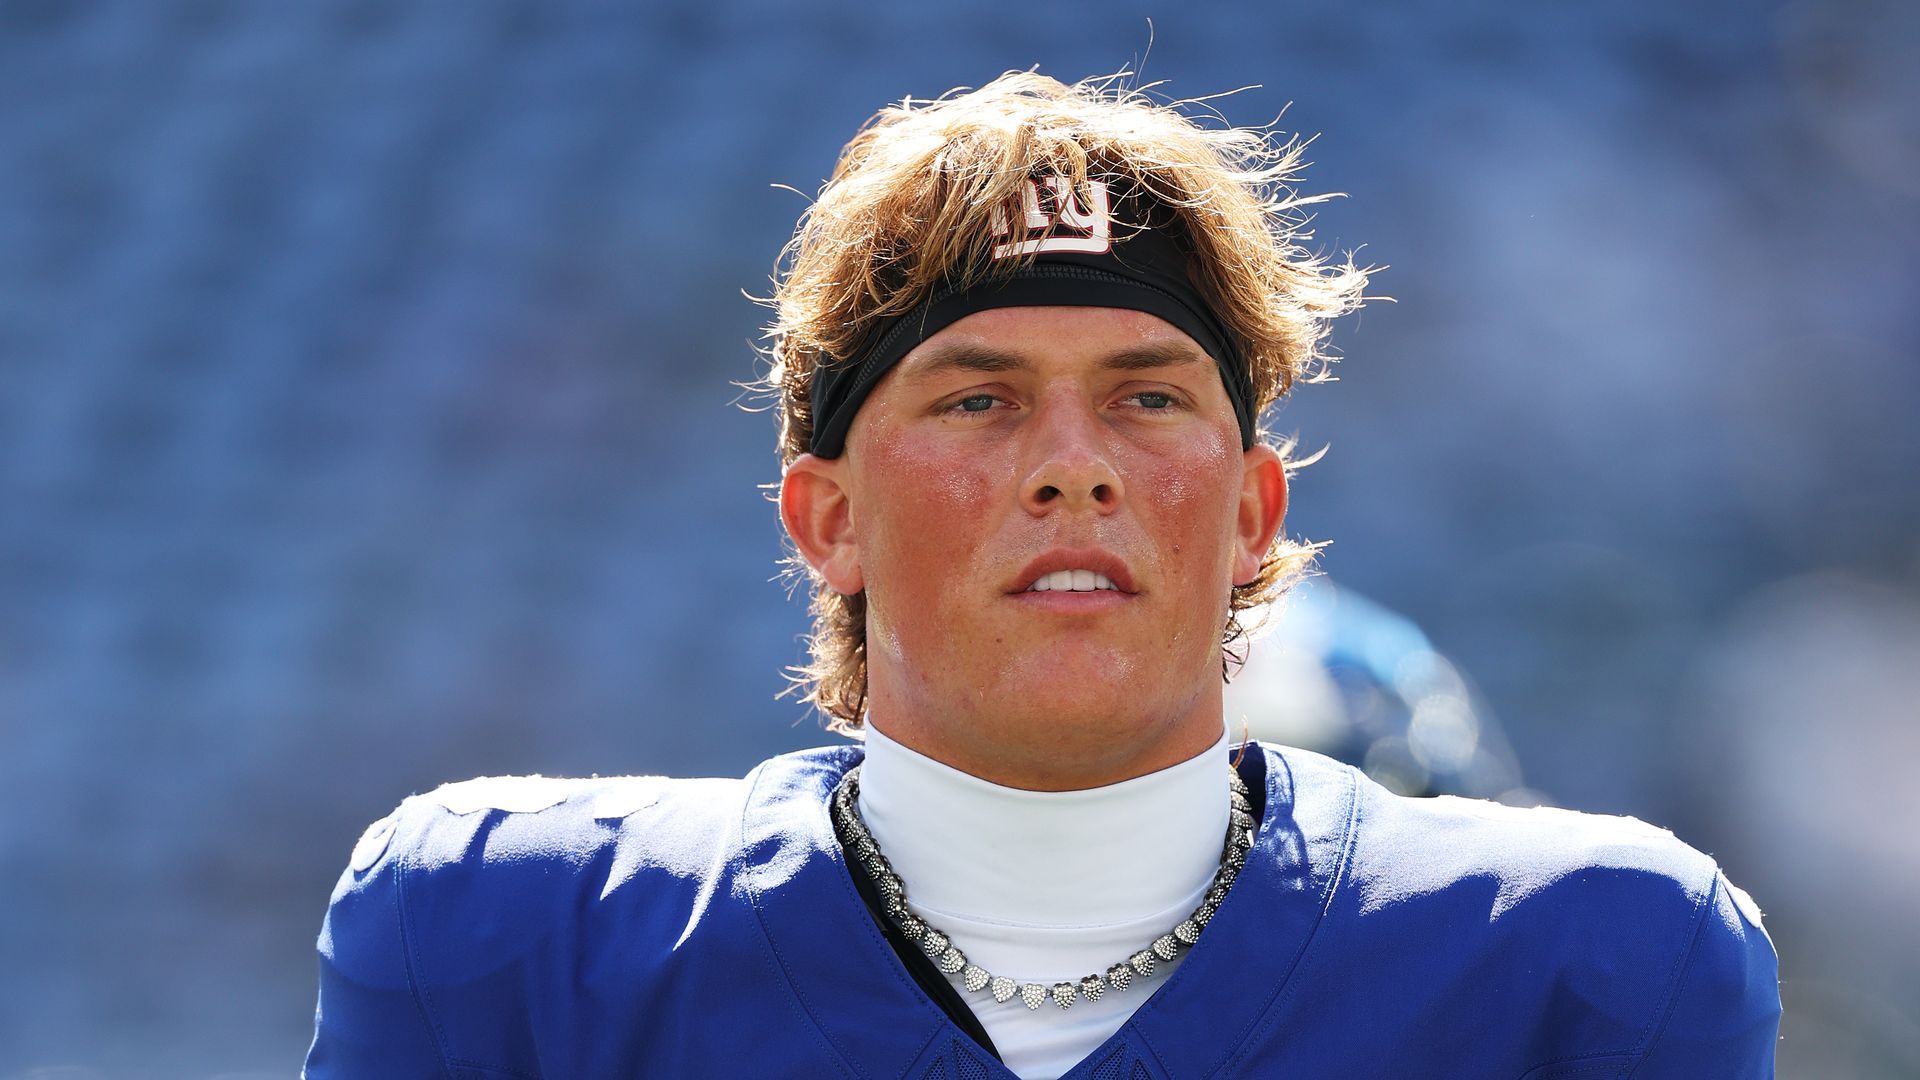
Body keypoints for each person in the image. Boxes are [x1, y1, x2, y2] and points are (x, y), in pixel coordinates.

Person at [303, 72, 1780, 1078]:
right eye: (976, 398)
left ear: (1256, 508)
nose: (1073, 468)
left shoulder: (1590, 969)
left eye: (1147, 396)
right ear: (826, 521)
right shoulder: (510, 949)